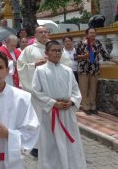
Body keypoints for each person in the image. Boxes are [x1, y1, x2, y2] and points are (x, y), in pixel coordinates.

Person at [17, 25, 70, 157]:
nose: (44, 34)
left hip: (53, 90)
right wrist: (34, 65)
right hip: (36, 92)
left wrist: (54, 63)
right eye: (40, 32)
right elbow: (20, 66)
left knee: (55, 118)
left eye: (46, 32)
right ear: (35, 35)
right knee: (38, 119)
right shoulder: (29, 50)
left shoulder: (55, 47)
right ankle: (37, 146)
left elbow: (66, 65)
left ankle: (55, 143)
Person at [32, 40, 86, 169]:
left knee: (70, 143)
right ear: (46, 53)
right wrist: (53, 103)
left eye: (59, 50)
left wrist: (72, 101)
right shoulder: (40, 70)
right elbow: (36, 91)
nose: (57, 53)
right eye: (54, 50)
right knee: (51, 144)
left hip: (67, 113)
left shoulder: (67, 70)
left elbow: (75, 89)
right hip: (51, 113)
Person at [75, 27, 118, 115]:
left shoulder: (98, 43)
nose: (92, 34)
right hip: (84, 69)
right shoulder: (81, 43)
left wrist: (116, 61)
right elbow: (76, 57)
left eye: (94, 33)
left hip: (94, 69)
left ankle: (92, 106)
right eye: (90, 33)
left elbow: (105, 55)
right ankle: (86, 107)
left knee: (93, 89)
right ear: (87, 34)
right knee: (84, 89)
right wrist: (84, 56)